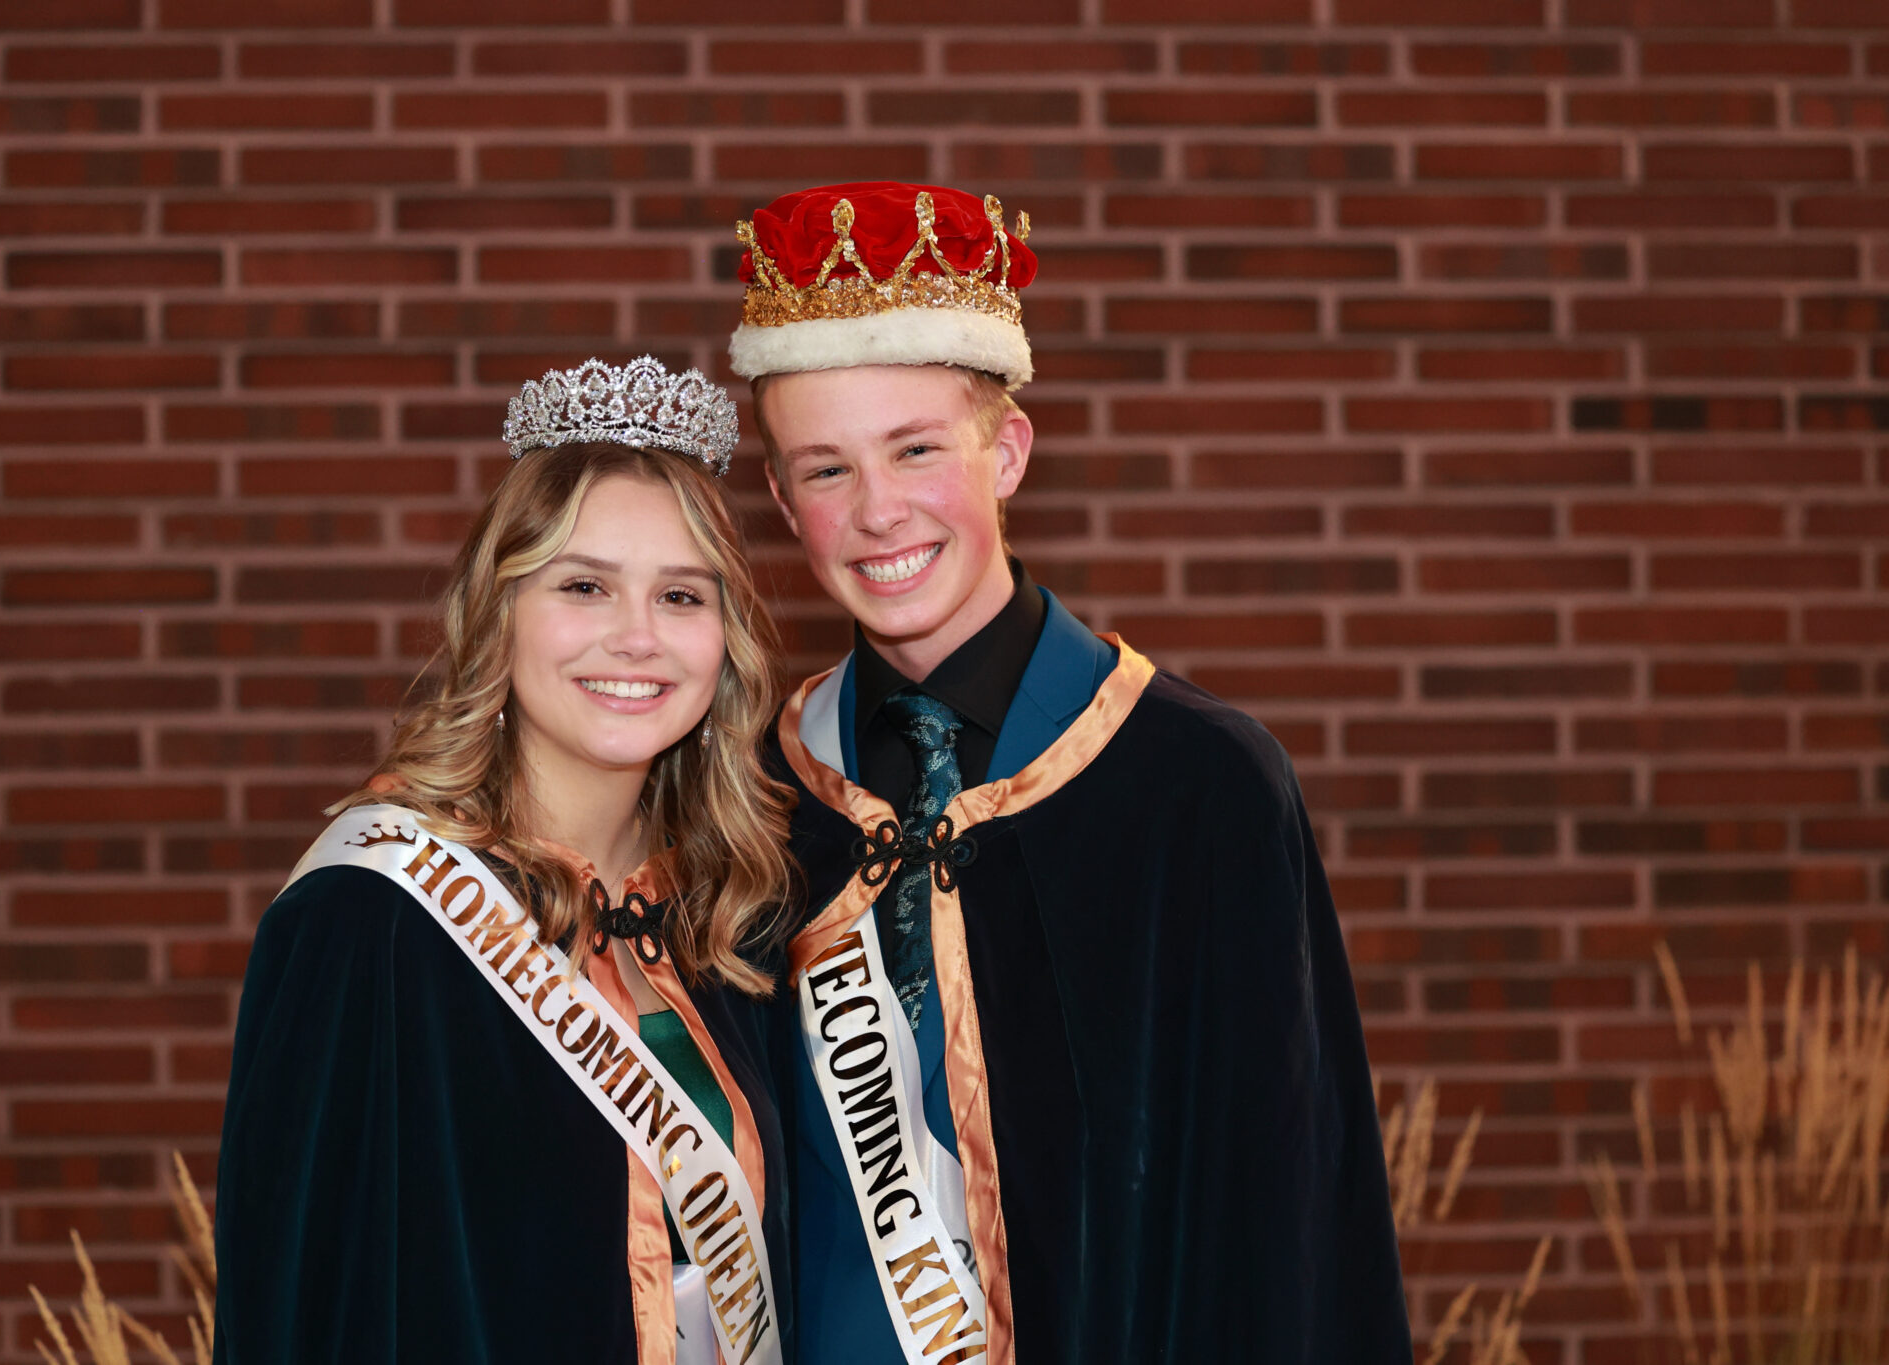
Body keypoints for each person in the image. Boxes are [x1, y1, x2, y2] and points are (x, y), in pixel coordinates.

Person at [729, 183, 1412, 1364]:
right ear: (783, 503)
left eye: (916, 449)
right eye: (825, 471)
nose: (878, 511)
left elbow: (1283, 1225)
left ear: (1007, 451)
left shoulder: (1197, 787)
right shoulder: (759, 792)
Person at [213, 357, 794, 1365]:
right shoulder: (372, 920)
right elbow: (296, 1303)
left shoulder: (726, 921)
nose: (637, 637)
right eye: (583, 586)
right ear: (499, 614)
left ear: (724, 643)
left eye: (681, 596)